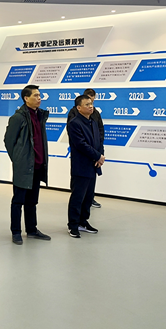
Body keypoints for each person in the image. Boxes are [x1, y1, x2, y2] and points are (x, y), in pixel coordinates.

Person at [4, 84, 51, 245]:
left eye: (39, 95)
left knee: (32, 201)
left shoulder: (40, 115)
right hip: (24, 167)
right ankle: (16, 232)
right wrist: (18, 160)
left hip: (37, 166)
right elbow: (8, 141)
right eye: (36, 95)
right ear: (26, 98)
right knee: (18, 201)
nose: (39, 98)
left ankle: (31, 229)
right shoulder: (18, 118)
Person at [66, 95, 105, 238]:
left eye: (91, 103)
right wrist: (97, 156)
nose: (90, 106)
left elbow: (99, 140)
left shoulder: (93, 121)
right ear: (79, 108)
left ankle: (83, 221)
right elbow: (81, 144)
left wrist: (100, 156)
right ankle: (73, 225)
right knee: (78, 197)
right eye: (87, 104)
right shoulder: (74, 123)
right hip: (81, 165)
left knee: (88, 196)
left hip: (93, 165)